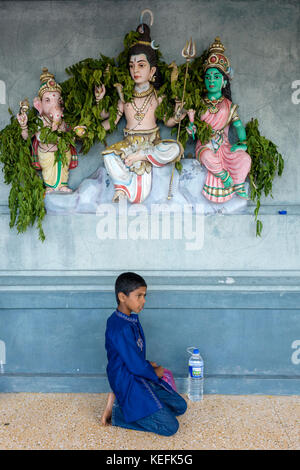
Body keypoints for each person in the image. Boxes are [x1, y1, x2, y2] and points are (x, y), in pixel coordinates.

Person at [95, 22, 185, 203]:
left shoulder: (157, 96)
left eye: (141, 65)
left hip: (151, 144)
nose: (135, 70)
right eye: (131, 66)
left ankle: (140, 161)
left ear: (152, 70)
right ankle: (123, 185)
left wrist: (177, 116)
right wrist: (98, 103)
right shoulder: (124, 95)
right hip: (129, 144)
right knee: (109, 155)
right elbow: (110, 121)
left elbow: (166, 121)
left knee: (175, 148)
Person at [101, 272, 187, 436]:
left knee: (180, 406)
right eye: (139, 296)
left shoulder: (127, 319)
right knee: (170, 428)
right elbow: (134, 365)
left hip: (137, 372)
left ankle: (128, 402)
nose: (144, 300)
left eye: (144, 295)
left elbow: (131, 355)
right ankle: (118, 415)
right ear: (122, 297)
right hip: (127, 379)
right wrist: (155, 372)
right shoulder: (120, 327)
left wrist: (148, 365)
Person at [187, 37, 251, 203]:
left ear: (224, 81)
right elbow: (194, 131)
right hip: (205, 144)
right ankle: (224, 176)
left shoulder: (228, 104)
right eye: (208, 77)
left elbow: (238, 125)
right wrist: (192, 129)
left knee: (245, 159)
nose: (211, 81)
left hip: (224, 146)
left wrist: (243, 141)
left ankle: (237, 183)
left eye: (216, 77)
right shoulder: (199, 102)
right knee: (207, 155)